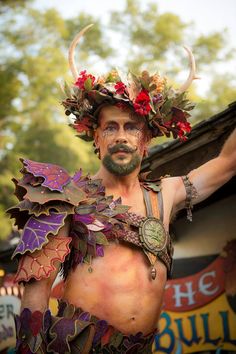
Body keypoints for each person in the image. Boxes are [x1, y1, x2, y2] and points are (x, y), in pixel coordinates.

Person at [7, 25, 236, 354]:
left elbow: (228, 162)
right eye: (110, 127)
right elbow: (36, 292)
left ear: (144, 141)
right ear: (96, 138)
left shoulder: (165, 194)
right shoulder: (66, 195)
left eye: (131, 127)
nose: (121, 136)